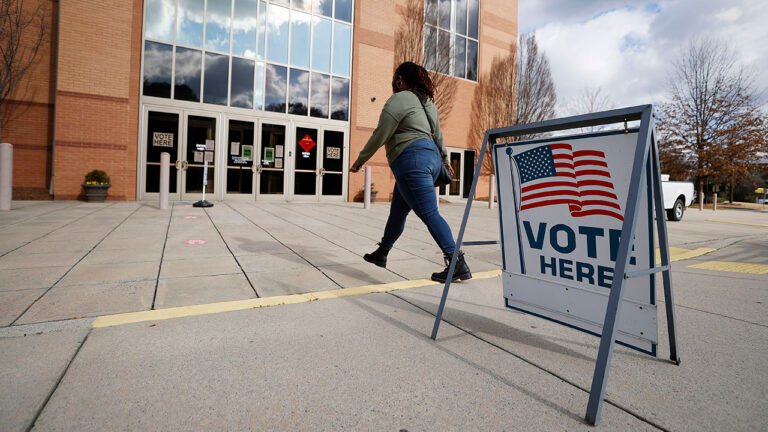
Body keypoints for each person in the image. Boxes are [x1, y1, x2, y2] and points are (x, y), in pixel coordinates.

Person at [349, 61, 471, 283]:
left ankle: (456, 262)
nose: (394, 85)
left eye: (395, 81)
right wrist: (444, 159)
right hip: (430, 160)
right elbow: (438, 137)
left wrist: (361, 160)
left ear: (400, 80)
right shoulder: (429, 104)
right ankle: (382, 252)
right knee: (398, 212)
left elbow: (381, 133)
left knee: (429, 213)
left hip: (412, 161)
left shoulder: (399, 99)